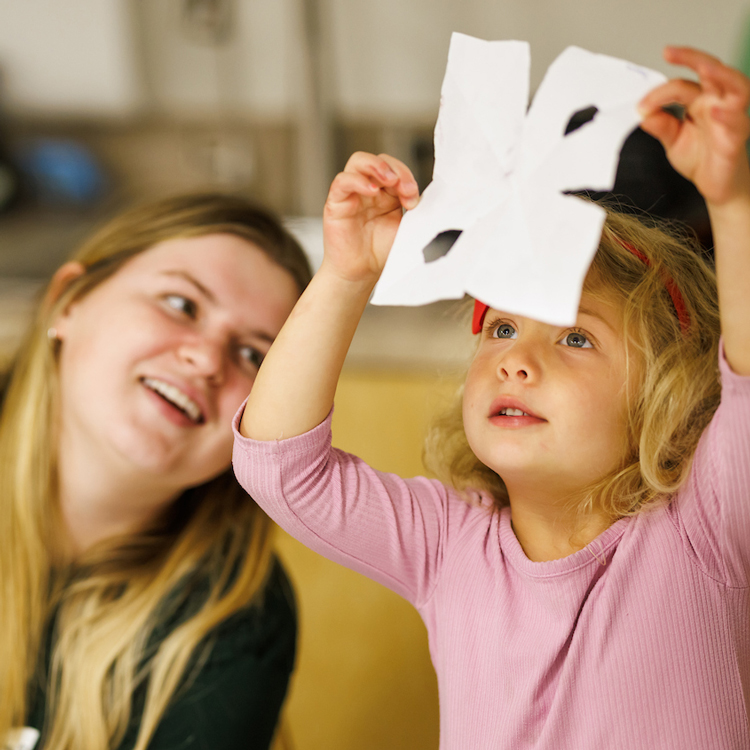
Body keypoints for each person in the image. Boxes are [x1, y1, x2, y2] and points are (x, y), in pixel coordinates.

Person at [233, 46, 750, 749]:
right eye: (502, 328)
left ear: (668, 396)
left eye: (574, 339)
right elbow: (279, 467)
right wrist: (349, 272)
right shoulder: (449, 546)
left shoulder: (705, 529)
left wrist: (733, 199)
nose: (516, 363)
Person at [0, 193, 312, 750]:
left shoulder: (239, 616)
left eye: (254, 356)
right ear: (67, 301)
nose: (208, 359)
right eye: (181, 303)